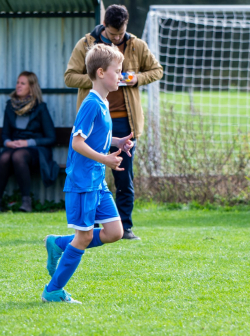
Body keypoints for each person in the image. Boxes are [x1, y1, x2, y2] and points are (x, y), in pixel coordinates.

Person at [41, 44, 134, 303]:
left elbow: (94, 139)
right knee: (82, 238)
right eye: (118, 71)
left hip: (97, 182)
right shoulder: (91, 104)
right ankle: (53, 291)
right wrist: (105, 159)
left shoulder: (103, 102)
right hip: (83, 183)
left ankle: (58, 243)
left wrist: (117, 142)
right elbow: (77, 143)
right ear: (102, 72)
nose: (121, 75)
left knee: (115, 232)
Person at [64, 4, 163, 240]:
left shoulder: (137, 45)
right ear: (104, 26)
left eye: (121, 33)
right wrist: (98, 79)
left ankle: (124, 227)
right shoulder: (87, 44)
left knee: (124, 177)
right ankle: (88, 228)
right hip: (97, 120)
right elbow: (69, 77)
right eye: (112, 34)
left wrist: (135, 78)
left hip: (126, 123)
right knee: (93, 172)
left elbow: (157, 70)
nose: (117, 38)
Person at [0, 72, 59, 213]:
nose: (18, 86)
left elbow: (51, 137)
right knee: (3, 158)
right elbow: (5, 133)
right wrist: (8, 142)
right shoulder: (10, 106)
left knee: (18, 156)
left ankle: (26, 202)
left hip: (35, 149)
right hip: (14, 146)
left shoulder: (40, 107)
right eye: (17, 82)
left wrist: (27, 143)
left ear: (31, 87)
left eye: (23, 83)